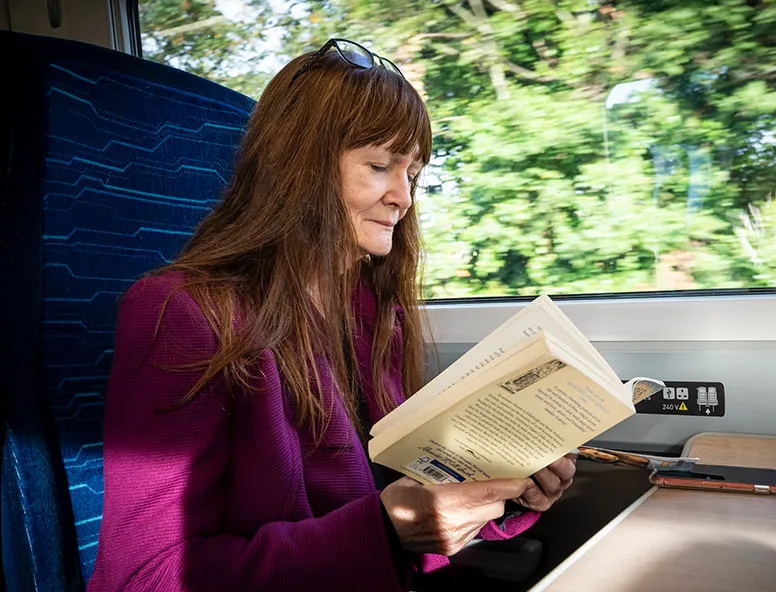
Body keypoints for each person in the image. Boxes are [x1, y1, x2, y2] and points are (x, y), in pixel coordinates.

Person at [88, 39, 576, 592]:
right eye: (379, 165)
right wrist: (391, 531)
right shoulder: (184, 312)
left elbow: (397, 515)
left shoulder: (371, 312)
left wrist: (497, 499)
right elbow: (145, 577)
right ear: (298, 169)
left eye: (411, 172)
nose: (404, 198)